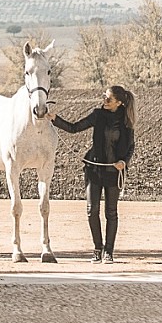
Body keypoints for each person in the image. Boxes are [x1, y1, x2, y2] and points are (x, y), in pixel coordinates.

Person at [50, 85, 136, 263]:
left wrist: (124, 162)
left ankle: (109, 252)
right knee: (92, 210)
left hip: (114, 172)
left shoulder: (126, 121)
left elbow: (131, 146)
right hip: (94, 169)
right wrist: (55, 119)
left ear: (119, 103)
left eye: (109, 99)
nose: (104, 100)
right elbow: (74, 128)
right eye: (104, 96)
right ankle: (98, 248)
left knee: (111, 213)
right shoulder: (97, 114)